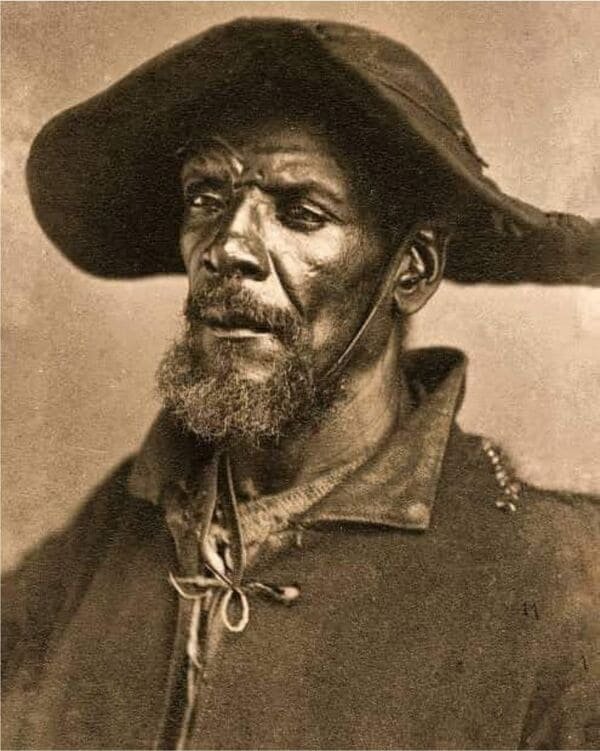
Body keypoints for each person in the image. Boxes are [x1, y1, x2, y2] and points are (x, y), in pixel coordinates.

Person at [2, 17, 599, 751]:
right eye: (206, 197)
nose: (228, 247)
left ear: (412, 270)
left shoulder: (561, 576)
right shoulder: (121, 521)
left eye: (301, 213)